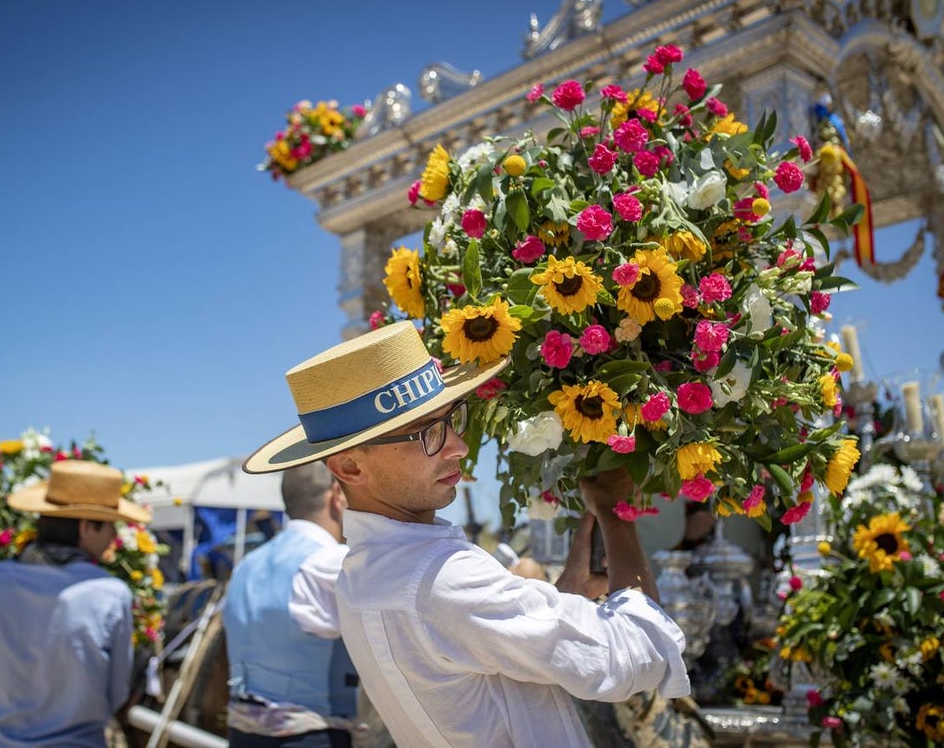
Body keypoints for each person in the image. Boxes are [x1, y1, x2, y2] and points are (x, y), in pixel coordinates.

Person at [241, 321, 689, 747]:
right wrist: (615, 513)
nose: (459, 445)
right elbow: (636, 655)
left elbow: (487, 662)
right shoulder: (440, 577)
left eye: (451, 420)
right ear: (350, 466)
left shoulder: (367, 569)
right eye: (426, 433)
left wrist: (566, 596)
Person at [0, 459, 151, 748]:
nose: (115, 537)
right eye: (111, 527)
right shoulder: (109, 593)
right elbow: (116, 692)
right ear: (86, 526)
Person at [222, 461, 358, 748]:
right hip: (312, 739)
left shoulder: (245, 566)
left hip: (241, 736)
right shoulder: (331, 563)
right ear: (337, 494)